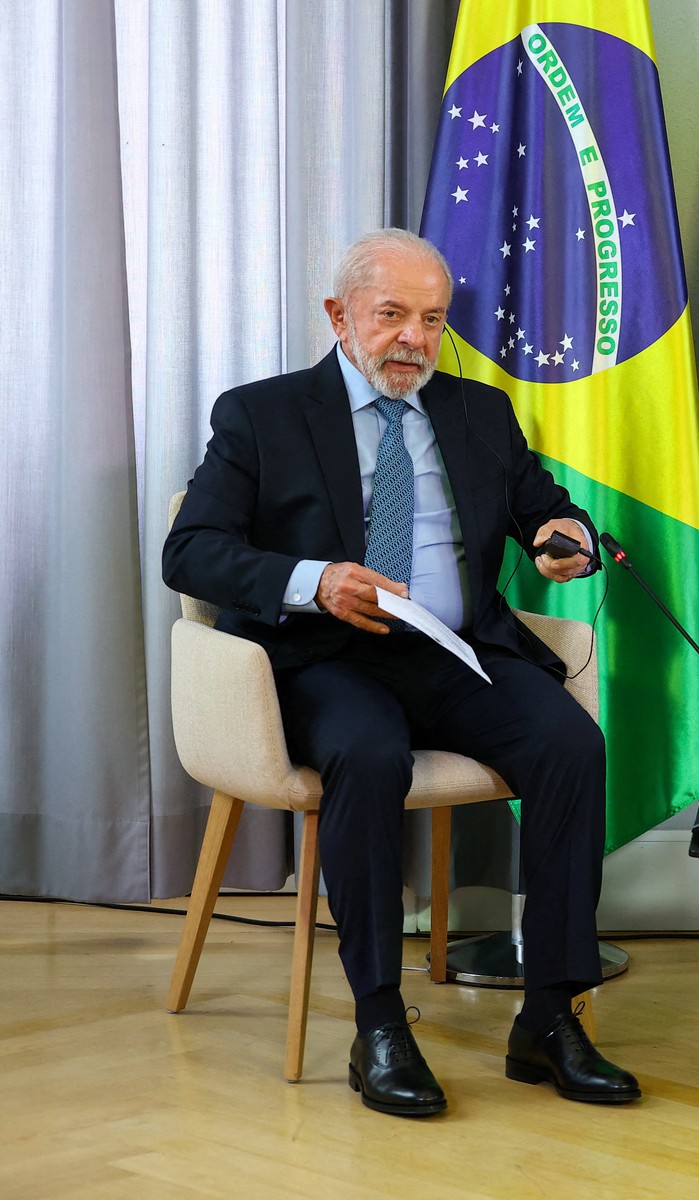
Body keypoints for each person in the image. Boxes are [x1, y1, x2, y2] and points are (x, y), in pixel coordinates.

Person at [165, 229, 637, 1117]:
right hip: (326, 660)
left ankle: (551, 1015)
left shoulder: (478, 410)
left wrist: (561, 537)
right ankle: (380, 1023)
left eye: (431, 320)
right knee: (371, 754)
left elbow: (546, 508)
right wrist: (314, 581)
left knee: (571, 745)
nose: (413, 339)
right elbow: (190, 551)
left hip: (454, 655)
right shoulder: (263, 415)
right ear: (340, 317)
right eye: (391, 316)